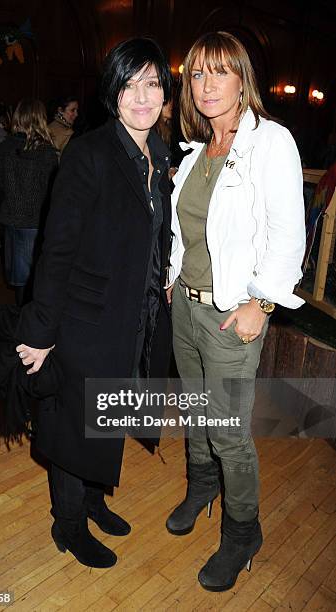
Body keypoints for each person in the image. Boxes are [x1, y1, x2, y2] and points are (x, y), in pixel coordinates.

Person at [15, 38, 173, 568]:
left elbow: (155, 236)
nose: (142, 96)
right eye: (130, 85)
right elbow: (54, 252)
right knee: (76, 422)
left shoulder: (160, 158)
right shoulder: (88, 154)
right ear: (113, 92)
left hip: (137, 317)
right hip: (88, 319)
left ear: (164, 92)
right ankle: (68, 523)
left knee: (112, 414)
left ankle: (94, 497)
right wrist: (39, 331)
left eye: (152, 83)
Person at [165, 31, 305, 591]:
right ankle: (202, 484)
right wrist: (173, 277)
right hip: (187, 307)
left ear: (243, 79)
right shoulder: (199, 151)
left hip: (231, 318)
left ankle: (243, 529)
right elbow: (185, 229)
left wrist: (262, 301)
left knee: (228, 430)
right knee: (197, 411)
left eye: (220, 71)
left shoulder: (271, 142)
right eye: (197, 74)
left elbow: (287, 232)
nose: (207, 85)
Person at [0, 99, 58, 306]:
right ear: (40, 119)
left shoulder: (5, 147)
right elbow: (53, 191)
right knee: (31, 277)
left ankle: (22, 320)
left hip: (11, 217)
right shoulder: (47, 153)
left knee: (19, 278)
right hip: (35, 220)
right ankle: (27, 324)